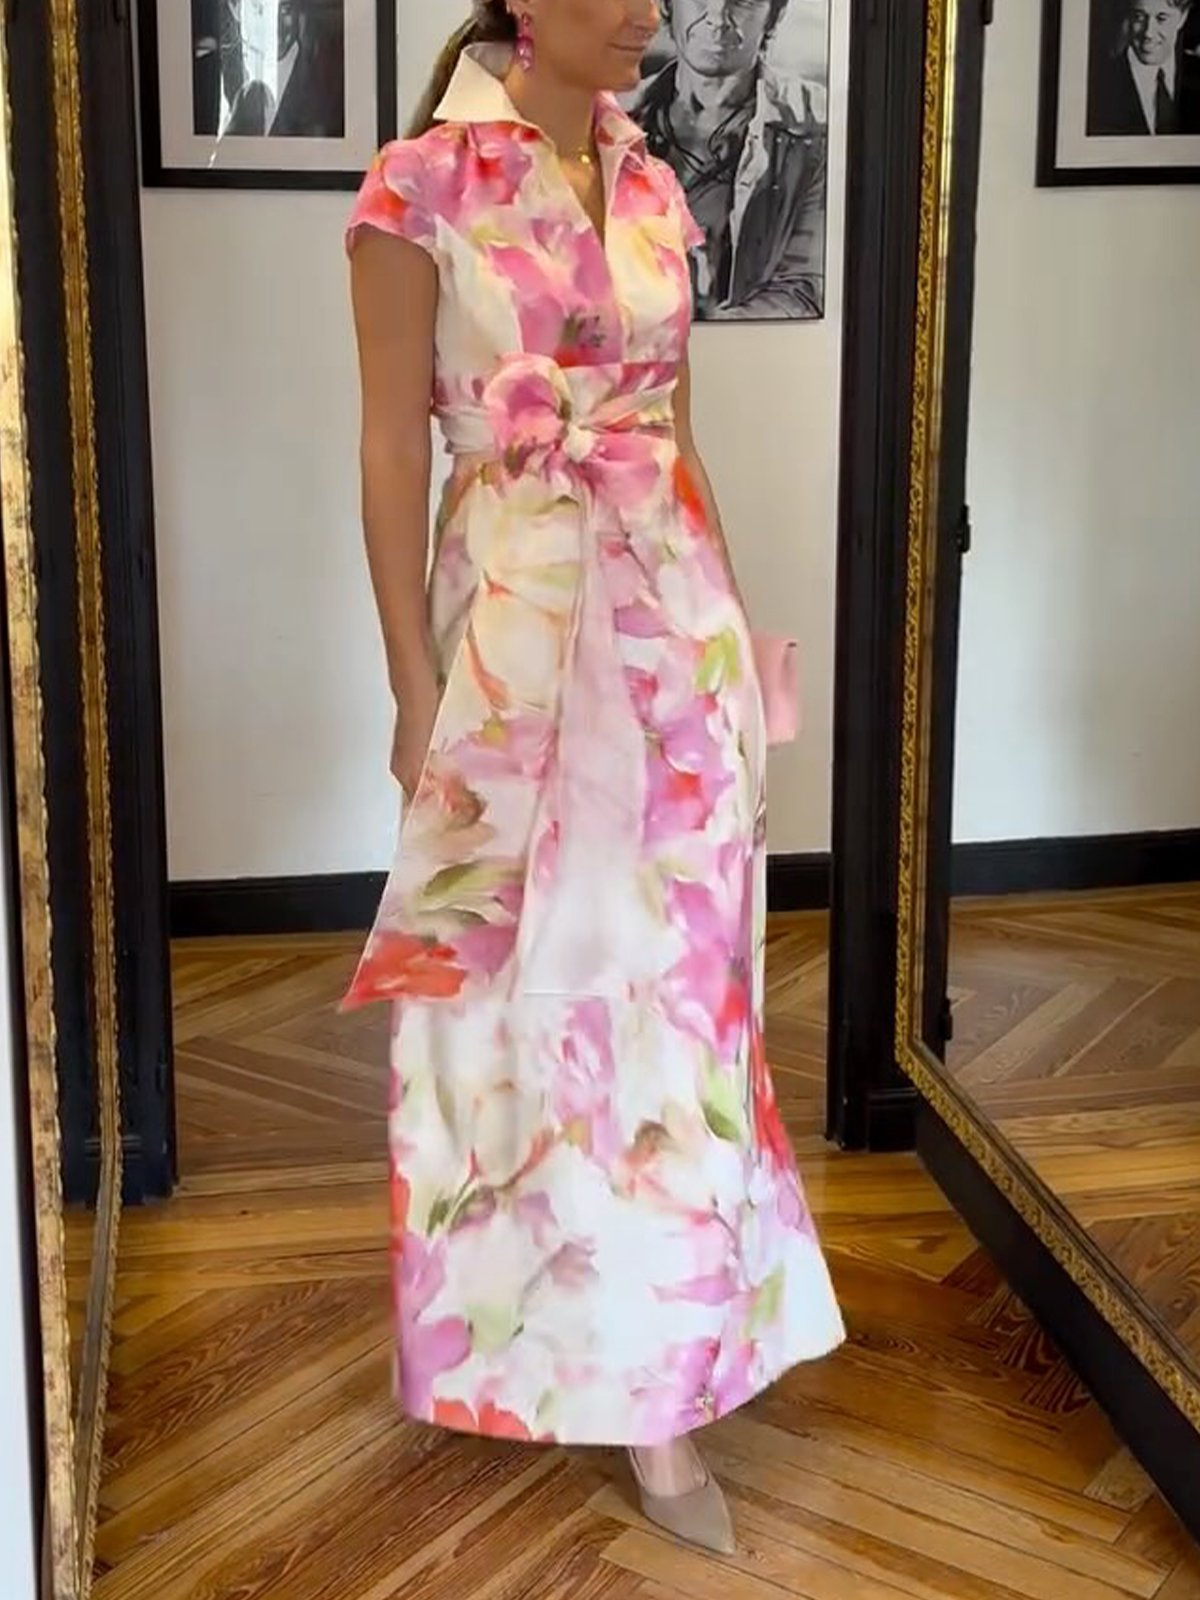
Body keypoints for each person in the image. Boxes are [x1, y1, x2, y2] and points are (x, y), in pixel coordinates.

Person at [344, 0, 844, 1556]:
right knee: (523, 989)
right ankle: (532, 1333)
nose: (647, 11)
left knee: (685, 998)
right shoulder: (417, 188)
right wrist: (409, 690)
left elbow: (678, 437)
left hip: (668, 626)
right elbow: (387, 452)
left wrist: (735, 650)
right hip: (510, 631)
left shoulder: (652, 183)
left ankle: (668, 1371)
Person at [628, 0, 826, 320]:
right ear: (667, 6)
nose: (717, 18)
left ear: (774, 15)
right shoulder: (610, 119)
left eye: (742, 1)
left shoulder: (816, 123)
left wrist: (702, 330)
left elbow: (806, 290)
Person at [1087, 0, 1200, 136]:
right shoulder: (1097, 83)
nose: (1148, 33)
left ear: (1183, 17)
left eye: (1161, 18)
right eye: (1139, 17)